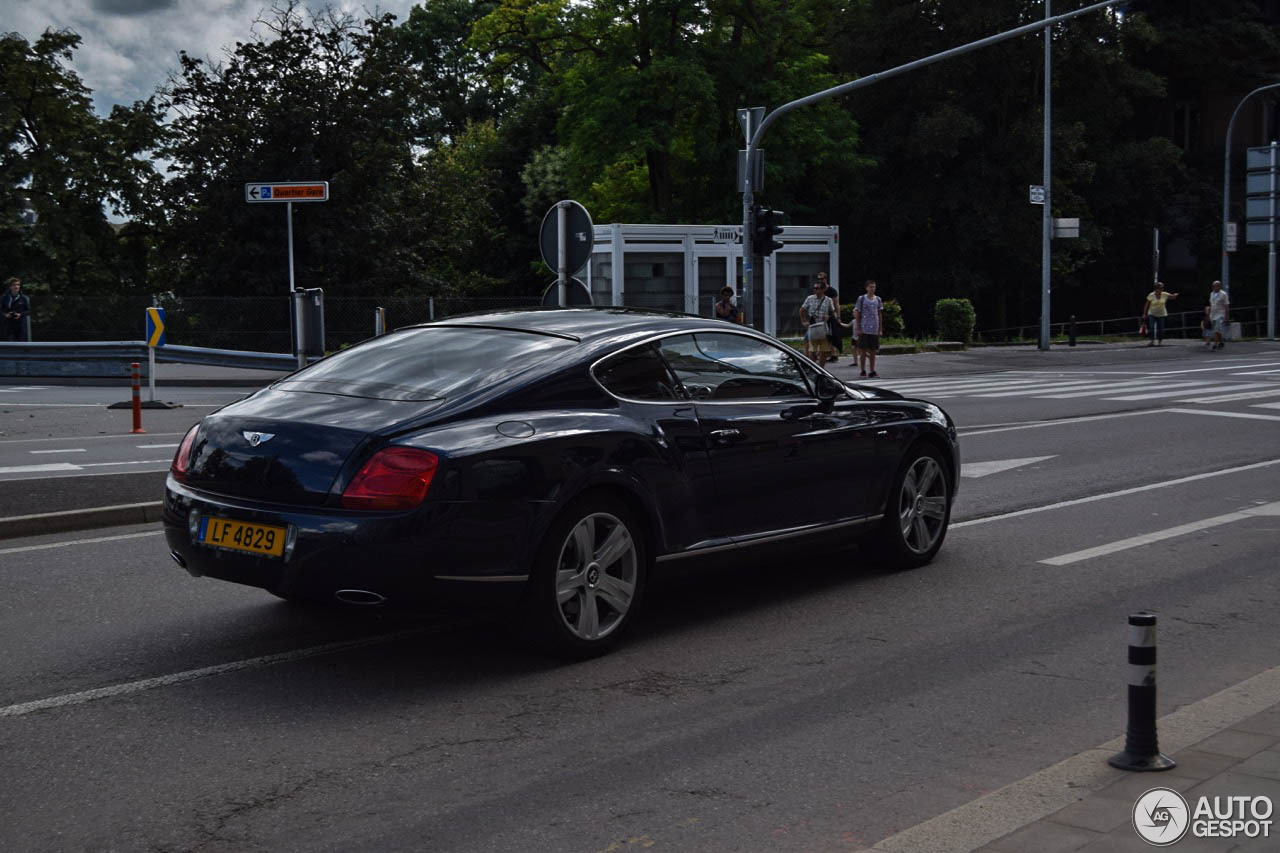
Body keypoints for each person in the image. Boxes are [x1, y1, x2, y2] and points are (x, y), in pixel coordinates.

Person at [799, 278, 835, 367]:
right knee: (812, 350)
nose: (815, 290)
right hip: (813, 326)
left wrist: (829, 316)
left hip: (823, 327)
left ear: (823, 289)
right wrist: (803, 321)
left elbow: (833, 312)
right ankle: (813, 367)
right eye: (815, 288)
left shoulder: (828, 300)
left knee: (824, 350)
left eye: (817, 288)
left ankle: (821, 369)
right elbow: (802, 310)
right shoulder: (810, 298)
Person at [854, 279, 884, 378]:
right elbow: (858, 313)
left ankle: (872, 370)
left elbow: (879, 314)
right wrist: (858, 328)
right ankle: (863, 370)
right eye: (870, 287)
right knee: (863, 350)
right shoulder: (861, 298)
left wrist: (880, 329)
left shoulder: (878, 299)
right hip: (864, 327)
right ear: (866, 288)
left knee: (873, 351)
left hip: (874, 328)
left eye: (874, 287)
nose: (872, 289)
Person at [1141, 281, 1178, 347]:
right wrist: (1144, 313)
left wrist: (1175, 295)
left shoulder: (1164, 294)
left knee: (1161, 329)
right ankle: (1152, 341)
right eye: (1160, 288)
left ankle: (1159, 342)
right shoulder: (1151, 295)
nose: (1162, 289)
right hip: (1152, 313)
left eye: (1162, 288)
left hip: (1162, 314)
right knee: (1152, 327)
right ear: (1156, 289)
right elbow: (1146, 305)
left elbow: (1172, 297)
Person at [819, 273, 842, 362]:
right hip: (821, 316)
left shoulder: (832, 291)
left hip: (831, 316)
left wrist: (838, 317)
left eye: (822, 278)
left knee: (832, 335)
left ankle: (834, 355)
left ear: (826, 279)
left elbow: (836, 304)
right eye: (819, 279)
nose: (820, 280)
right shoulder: (818, 290)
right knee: (822, 335)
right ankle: (820, 354)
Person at [2, 277, 31, 342]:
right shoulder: (4, 298)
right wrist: (5, 314)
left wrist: (20, 314)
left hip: (20, 326)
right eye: (14, 285)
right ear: (10, 287)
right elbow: (1, 310)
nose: (16, 286)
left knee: (21, 345)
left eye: (18, 285)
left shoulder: (24, 298)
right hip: (8, 326)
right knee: (9, 346)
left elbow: (28, 311)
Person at [1206, 279, 1229, 351]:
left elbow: (1226, 305)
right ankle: (1221, 342)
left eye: (1216, 286)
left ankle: (1215, 344)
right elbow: (1211, 304)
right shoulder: (1211, 294)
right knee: (1217, 330)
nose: (1214, 287)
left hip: (1220, 314)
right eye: (1213, 286)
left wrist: (1226, 316)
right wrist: (1208, 314)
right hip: (1213, 314)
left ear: (1219, 286)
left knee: (1216, 329)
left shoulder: (1223, 294)